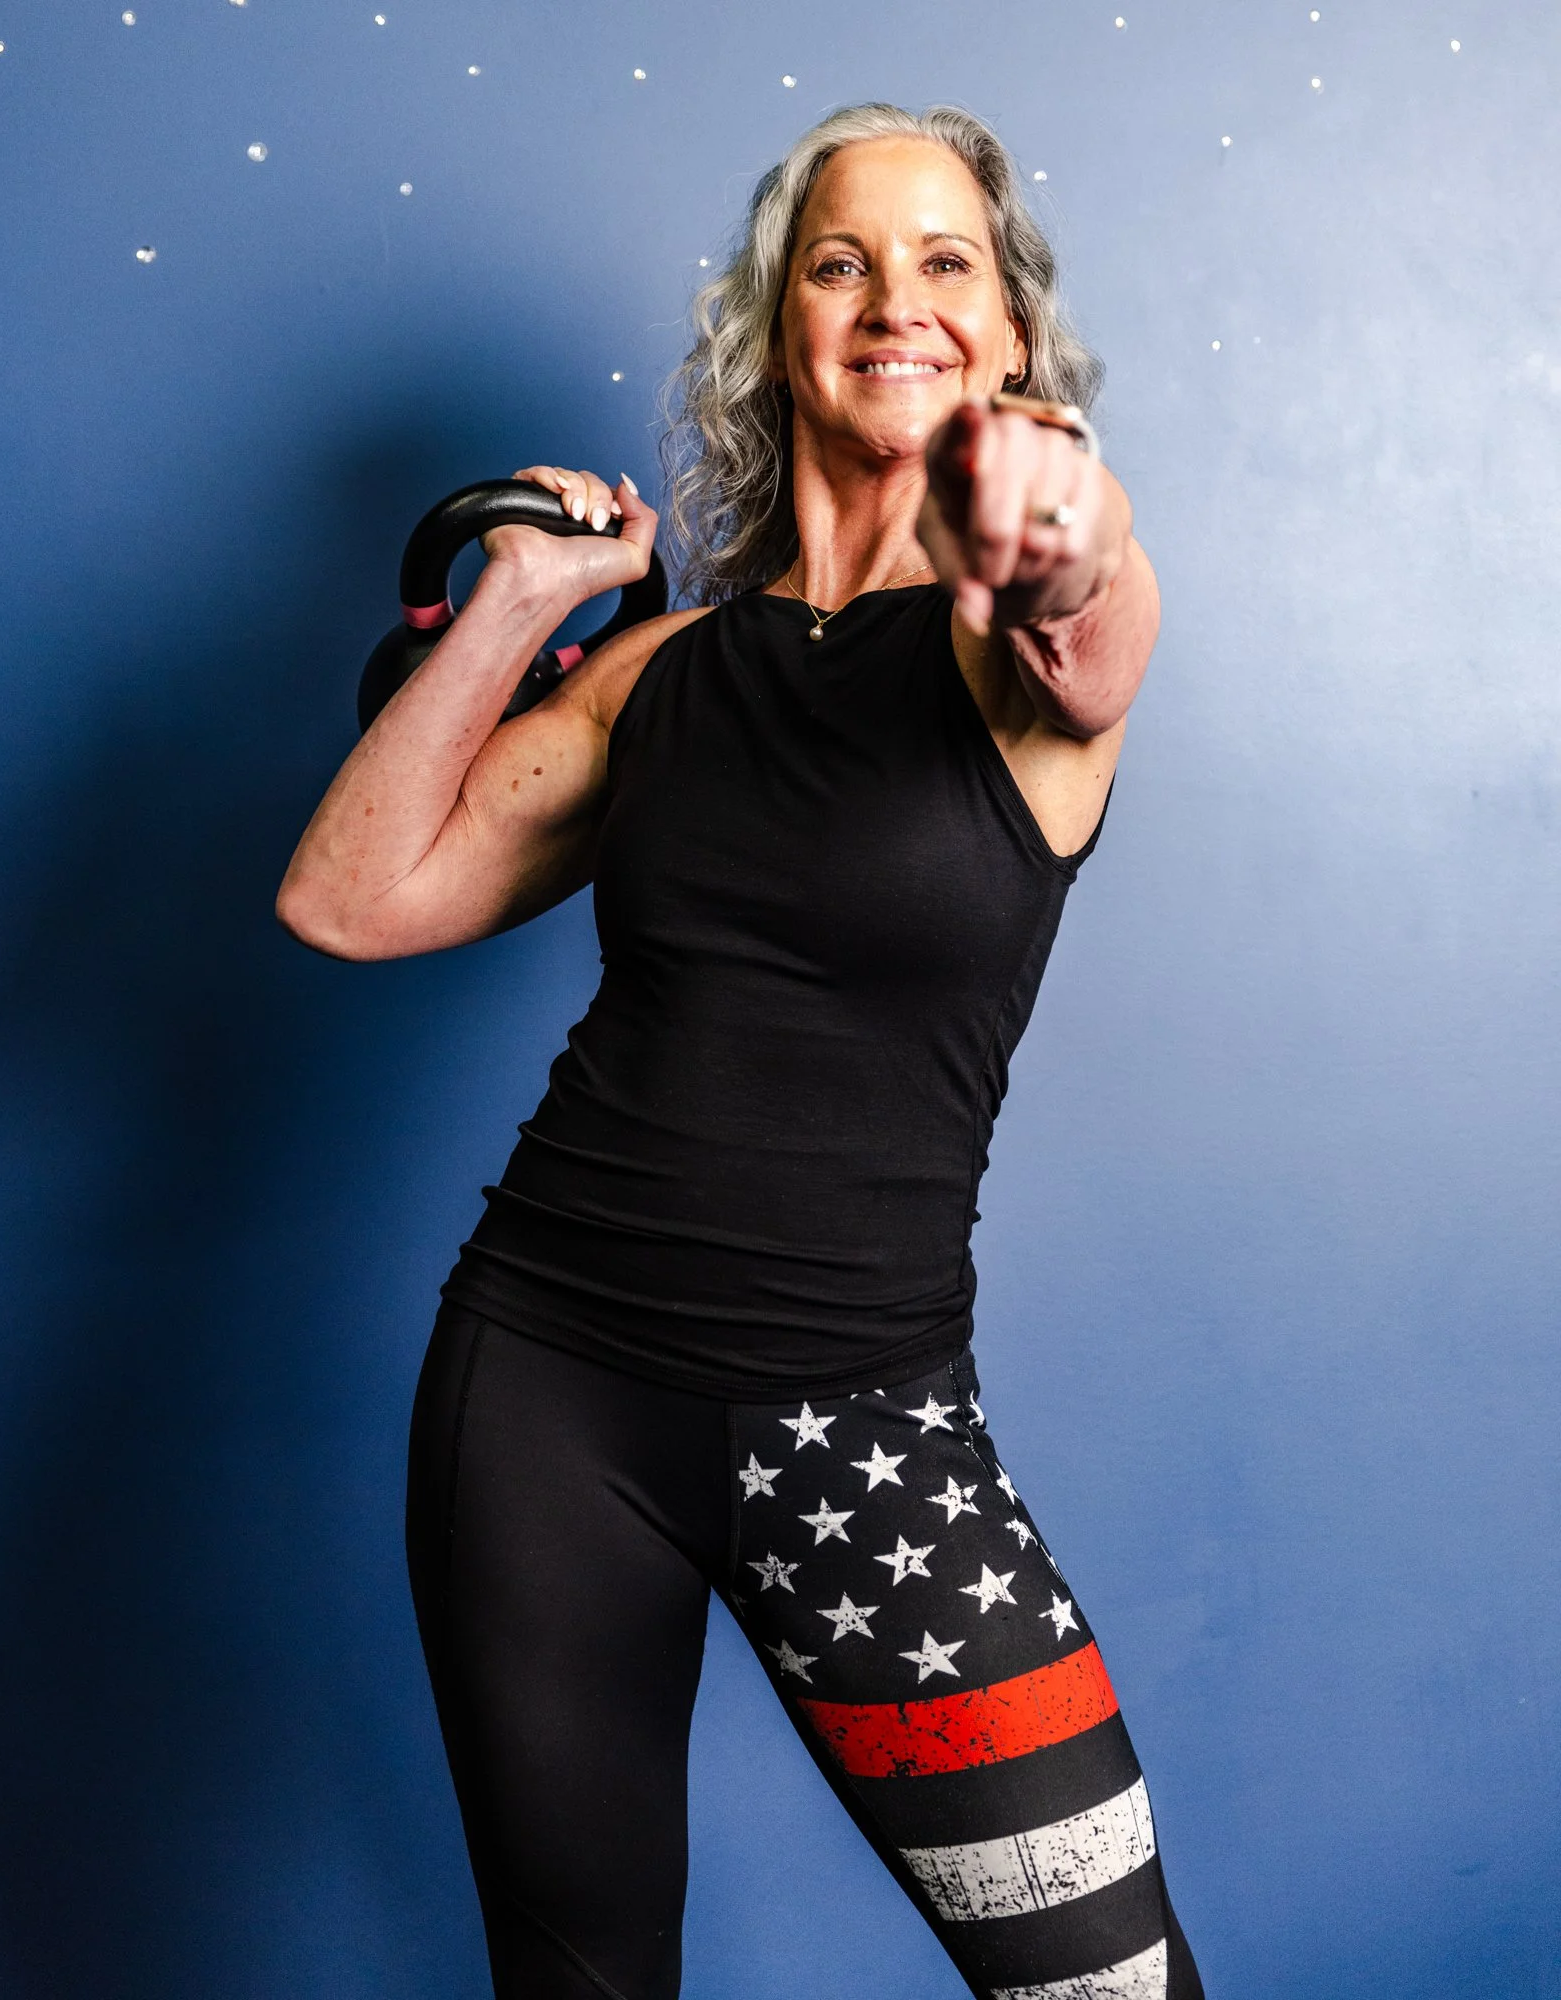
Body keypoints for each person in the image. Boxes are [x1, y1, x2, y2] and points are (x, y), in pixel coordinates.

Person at [277, 100, 1203, 2000]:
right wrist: (520, 606)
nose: (896, 300)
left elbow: (1086, 604)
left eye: (946, 263)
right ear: (779, 328)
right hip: (545, 1395)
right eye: (841, 263)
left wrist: (1040, 508)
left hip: (864, 1439)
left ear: (1008, 330)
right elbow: (349, 902)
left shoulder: (1018, 652)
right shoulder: (660, 673)